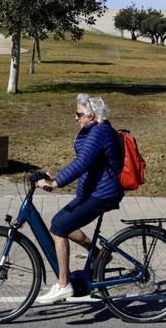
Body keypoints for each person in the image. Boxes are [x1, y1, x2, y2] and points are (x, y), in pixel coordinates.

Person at [35, 93, 124, 304]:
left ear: (92, 115)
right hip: (94, 192)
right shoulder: (94, 131)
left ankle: (64, 284)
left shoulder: (99, 132)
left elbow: (82, 163)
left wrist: (56, 184)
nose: (76, 118)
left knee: (59, 227)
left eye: (79, 114)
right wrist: (56, 176)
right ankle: (100, 255)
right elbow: (84, 162)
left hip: (102, 194)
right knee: (59, 222)